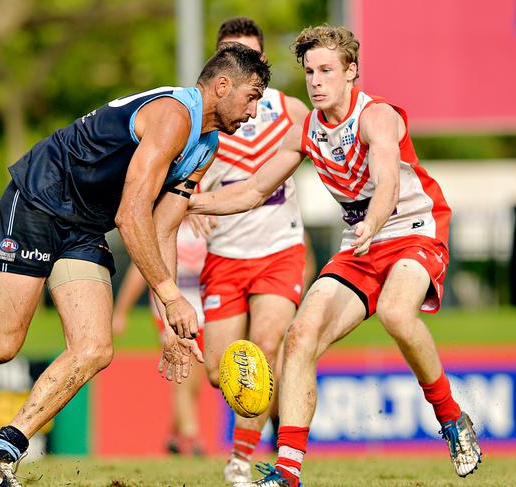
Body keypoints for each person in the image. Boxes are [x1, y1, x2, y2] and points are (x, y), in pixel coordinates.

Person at [0, 43, 271, 487]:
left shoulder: (207, 145)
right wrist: (167, 294)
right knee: (0, 343)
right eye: (252, 95)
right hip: (38, 199)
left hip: (84, 227)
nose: (254, 111)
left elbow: (164, 227)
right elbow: (131, 214)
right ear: (222, 85)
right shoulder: (173, 117)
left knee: (95, 347)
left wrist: (171, 319)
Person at [190, 25, 481, 487]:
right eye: (309, 72)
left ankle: (451, 419)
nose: (316, 81)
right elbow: (253, 188)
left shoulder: (376, 117)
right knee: (300, 336)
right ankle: (287, 472)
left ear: (352, 73)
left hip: (411, 231)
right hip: (360, 246)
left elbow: (387, 181)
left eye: (327, 70)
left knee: (394, 313)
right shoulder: (305, 129)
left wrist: (372, 221)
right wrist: (189, 203)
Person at [187, 17, 311, 484]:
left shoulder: (291, 110)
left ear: (262, 62)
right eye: (230, 51)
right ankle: (279, 415)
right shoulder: (198, 119)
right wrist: (182, 197)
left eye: (250, 54)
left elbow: (338, 142)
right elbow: (165, 172)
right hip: (224, 257)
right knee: (222, 372)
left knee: (265, 347)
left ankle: (241, 459)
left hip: (280, 250)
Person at [113, 218, 207, 456]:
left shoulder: (209, 219)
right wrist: (121, 312)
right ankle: (193, 439)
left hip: (206, 312)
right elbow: (141, 271)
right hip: (172, 313)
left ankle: (173, 437)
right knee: (183, 376)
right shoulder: (165, 224)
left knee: (195, 382)